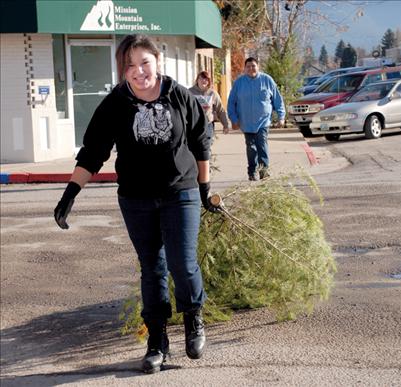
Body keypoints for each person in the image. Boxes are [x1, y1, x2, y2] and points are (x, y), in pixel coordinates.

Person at [53, 34, 218, 374]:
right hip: (136, 198)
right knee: (152, 268)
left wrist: (204, 188)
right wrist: (70, 193)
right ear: (123, 70)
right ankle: (157, 341)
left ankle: (193, 319)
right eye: (130, 66)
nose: (139, 71)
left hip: (180, 192)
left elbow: (202, 140)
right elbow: (94, 151)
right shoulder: (116, 103)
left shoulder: (178, 95)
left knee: (182, 263)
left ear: (158, 60)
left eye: (144, 62)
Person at [227, 57, 285, 181]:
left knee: (262, 145)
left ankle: (264, 172)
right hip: (246, 122)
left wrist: (281, 117)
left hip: (263, 121)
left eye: (253, 66)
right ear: (244, 68)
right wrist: (234, 119)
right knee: (251, 147)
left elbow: (277, 100)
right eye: (248, 66)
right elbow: (231, 102)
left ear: (258, 66)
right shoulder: (239, 82)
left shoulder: (267, 80)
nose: (251, 68)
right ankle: (252, 172)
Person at [189, 71, 230, 145]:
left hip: (208, 124)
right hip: (194, 125)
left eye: (206, 79)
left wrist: (225, 125)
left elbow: (220, 110)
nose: (204, 81)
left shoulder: (212, 93)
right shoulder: (190, 92)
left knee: (207, 148)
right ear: (197, 80)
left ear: (208, 81)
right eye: (201, 78)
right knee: (195, 147)